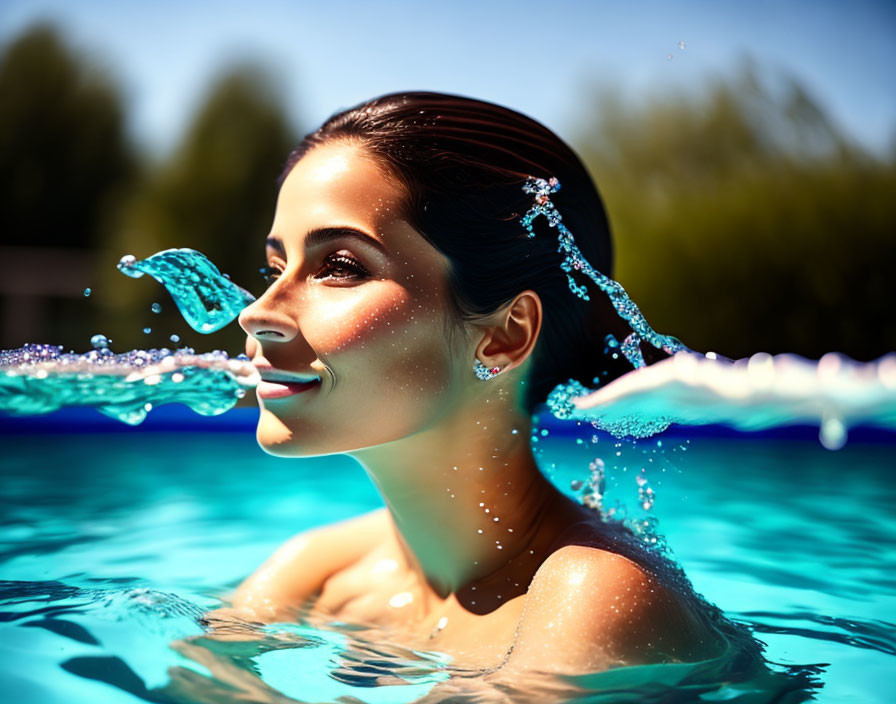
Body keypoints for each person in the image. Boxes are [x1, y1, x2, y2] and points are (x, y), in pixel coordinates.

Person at [211, 91, 727, 676]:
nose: (256, 313)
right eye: (277, 270)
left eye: (341, 266)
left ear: (506, 334)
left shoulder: (591, 595)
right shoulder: (313, 571)